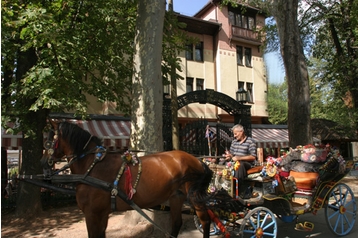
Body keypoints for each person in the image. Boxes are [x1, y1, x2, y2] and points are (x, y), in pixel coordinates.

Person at [225, 124, 257, 198]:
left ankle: (240, 190)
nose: (234, 136)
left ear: (241, 132)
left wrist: (239, 158)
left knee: (240, 165)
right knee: (222, 164)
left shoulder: (250, 141)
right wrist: (229, 156)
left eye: (235, 133)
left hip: (247, 165)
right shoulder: (234, 142)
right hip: (235, 163)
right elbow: (232, 156)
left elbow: (253, 157)